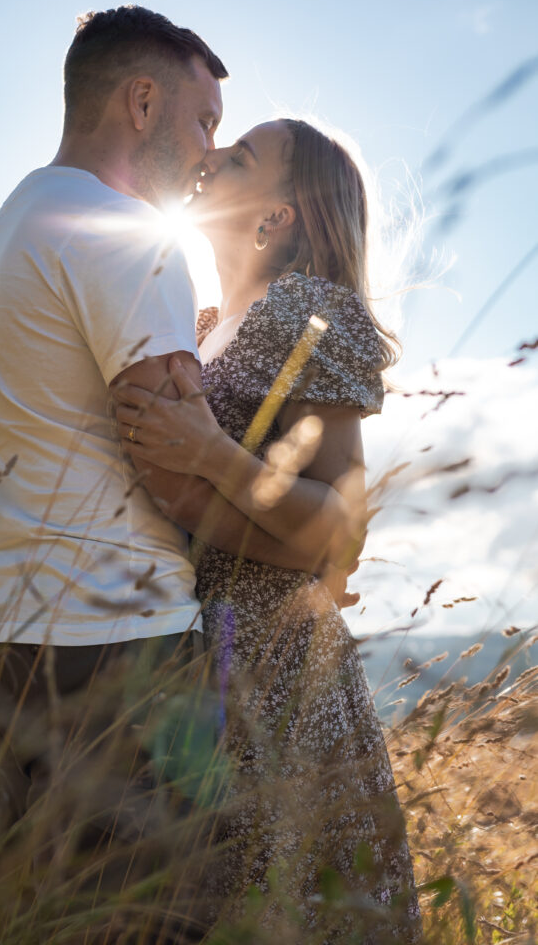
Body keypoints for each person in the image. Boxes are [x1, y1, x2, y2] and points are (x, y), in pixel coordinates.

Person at [0, 8, 356, 945]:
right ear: (141, 102)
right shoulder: (126, 238)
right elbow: (177, 480)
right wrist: (313, 555)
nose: (209, 150)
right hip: (114, 657)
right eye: (206, 121)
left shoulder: (9, 229)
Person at [113, 118, 423, 941]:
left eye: (240, 157)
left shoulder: (307, 309)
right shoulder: (207, 316)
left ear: (277, 216)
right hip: (198, 661)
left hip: (278, 671)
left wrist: (212, 455)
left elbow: (340, 527)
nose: (209, 157)